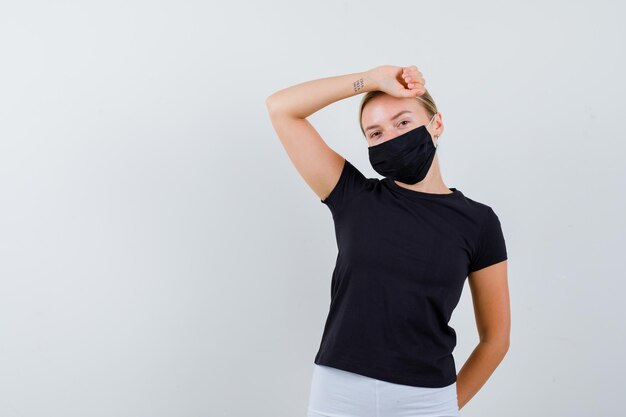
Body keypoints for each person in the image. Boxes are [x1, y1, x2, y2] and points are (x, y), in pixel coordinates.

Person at [266, 65, 510, 417]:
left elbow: (496, 339)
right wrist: (372, 78)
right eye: (375, 132)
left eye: (403, 122)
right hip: (339, 393)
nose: (391, 137)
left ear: (436, 125)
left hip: (427, 397)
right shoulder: (352, 196)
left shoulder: (479, 222)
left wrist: (445, 406)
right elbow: (282, 108)